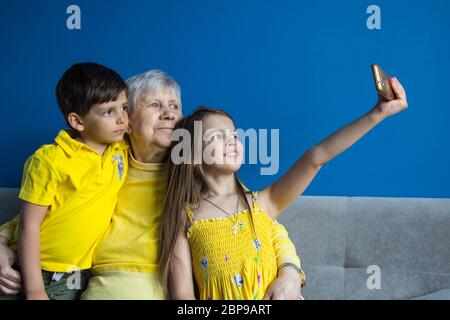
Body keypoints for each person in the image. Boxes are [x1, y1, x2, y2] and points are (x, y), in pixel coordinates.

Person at [0, 69, 304, 300]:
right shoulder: (107, 164)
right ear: (126, 119)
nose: (169, 112)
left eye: (174, 105)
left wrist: (290, 271)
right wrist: (1, 243)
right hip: (102, 285)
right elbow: (52, 211)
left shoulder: (196, 169)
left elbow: (262, 222)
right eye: (155, 105)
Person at [160, 76, 408, 300]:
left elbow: (316, 158)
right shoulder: (185, 217)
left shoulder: (262, 203)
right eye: (216, 137)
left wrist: (377, 114)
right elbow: (182, 295)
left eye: (234, 134)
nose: (231, 141)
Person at [2, 62, 129, 300]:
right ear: (78, 122)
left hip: (74, 275)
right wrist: (35, 290)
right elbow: (29, 224)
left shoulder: (120, 150)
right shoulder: (51, 160)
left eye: (124, 107)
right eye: (108, 112)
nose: (122, 119)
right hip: (34, 270)